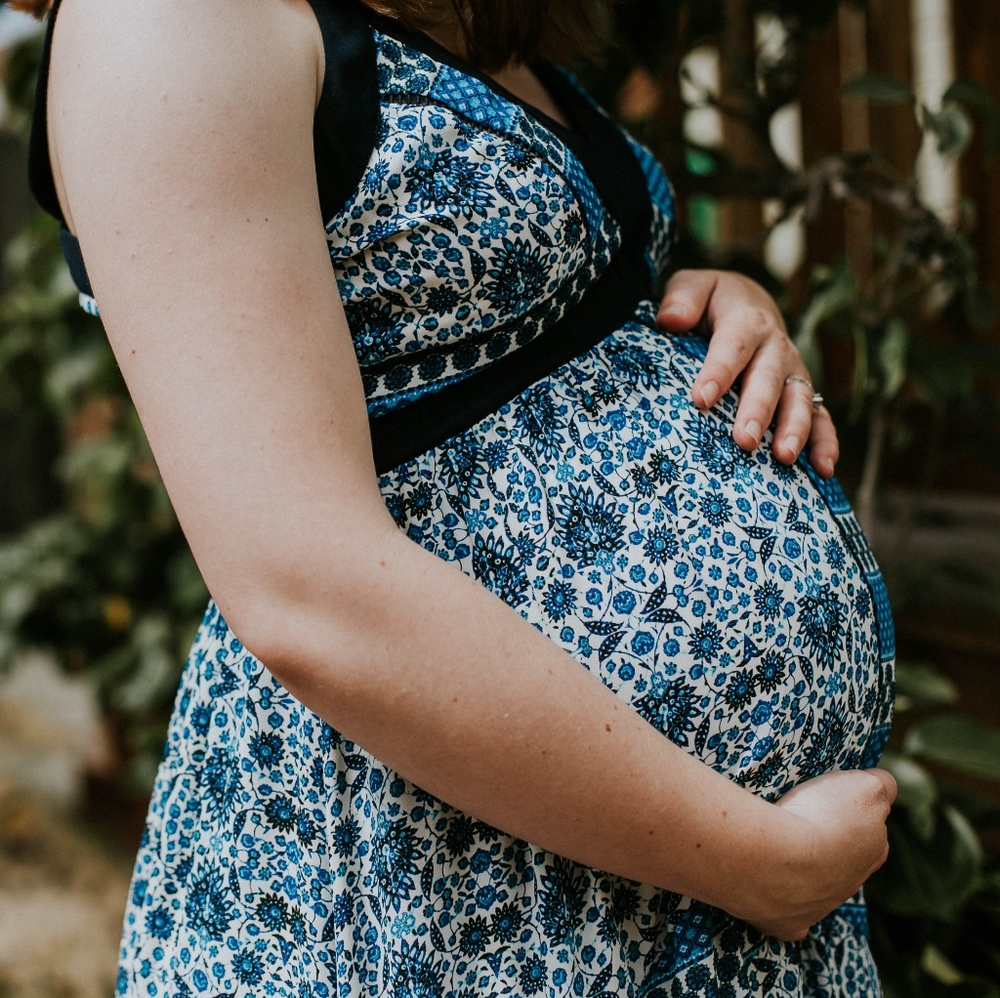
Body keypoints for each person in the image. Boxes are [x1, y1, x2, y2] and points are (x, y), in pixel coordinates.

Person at [21, 0, 897, 994]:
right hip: (446, 893)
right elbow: (303, 585)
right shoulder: (170, 19)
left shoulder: (446, 16)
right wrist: (755, 862)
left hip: (668, 902)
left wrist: (712, 315)